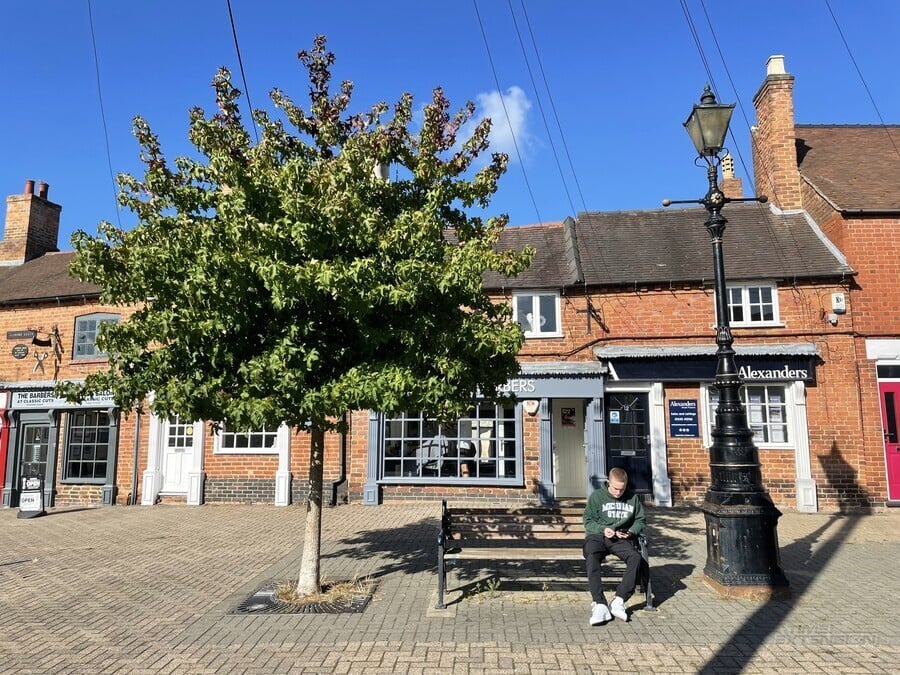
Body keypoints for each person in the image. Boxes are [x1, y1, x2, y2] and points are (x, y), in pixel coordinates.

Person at [582, 467, 645, 625]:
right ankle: (600, 604)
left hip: (620, 538)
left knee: (635, 558)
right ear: (608, 482)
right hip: (598, 536)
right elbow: (588, 521)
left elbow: (640, 520)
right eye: (615, 488)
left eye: (622, 489)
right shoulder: (597, 497)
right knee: (591, 555)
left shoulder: (632, 498)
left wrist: (630, 532)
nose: (618, 492)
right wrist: (603, 529)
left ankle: (619, 600)